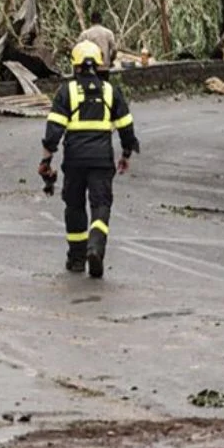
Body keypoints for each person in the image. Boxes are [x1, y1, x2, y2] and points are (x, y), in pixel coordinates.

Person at [40, 40, 139, 280]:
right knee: (101, 205)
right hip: (102, 160)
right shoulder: (110, 90)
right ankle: (95, 247)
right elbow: (126, 125)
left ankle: (76, 259)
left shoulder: (66, 91)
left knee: (74, 206)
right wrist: (126, 153)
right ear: (97, 64)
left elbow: (54, 130)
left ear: (75, 66)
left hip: (74, 160)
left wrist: (46, 161)